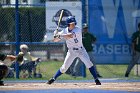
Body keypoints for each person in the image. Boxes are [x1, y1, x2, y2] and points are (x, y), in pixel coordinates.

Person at [47, 16, 101, 85]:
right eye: (71, 24)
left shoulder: (77, 29)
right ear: (68, 24)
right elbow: (55, 40)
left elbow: (70, 35)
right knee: (64, 68)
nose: (73, 25)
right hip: (71, 52)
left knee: (89, 64)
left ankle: (96, 79)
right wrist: (55, 36)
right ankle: (53, 78)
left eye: (74, 23)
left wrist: (59, 34)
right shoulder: (64, 31)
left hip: (81, 50)